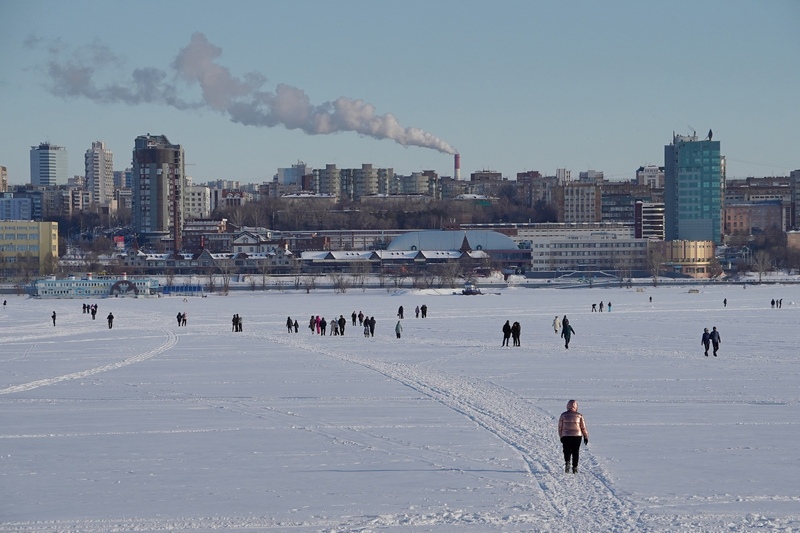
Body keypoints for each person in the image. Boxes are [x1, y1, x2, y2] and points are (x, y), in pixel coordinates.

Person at [558, 399, 589, 474]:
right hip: (577, 436)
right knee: (575, 451)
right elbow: (583, 427)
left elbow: (560, 427)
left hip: (566, 436)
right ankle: (575, 467)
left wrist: (561, 436)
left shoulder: (563, 415)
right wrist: (585, 436)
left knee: (567, 450)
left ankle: (567, 462)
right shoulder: (579, 415)